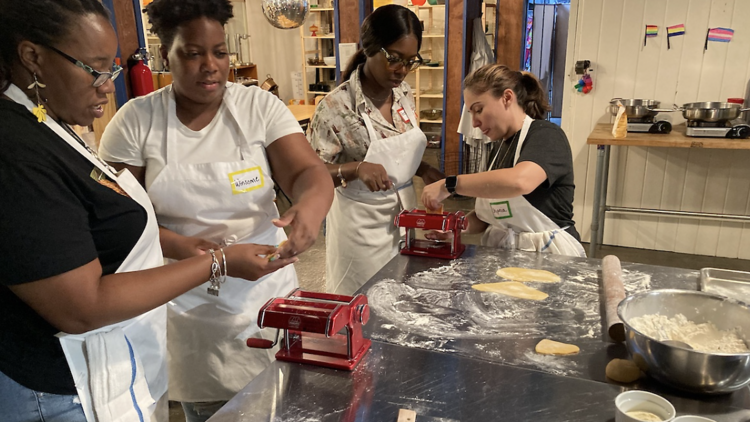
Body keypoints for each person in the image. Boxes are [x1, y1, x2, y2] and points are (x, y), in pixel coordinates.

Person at [0, 1, 303, 421]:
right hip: (61, 387)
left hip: (120, 357)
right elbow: (81, 305)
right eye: (96, 68)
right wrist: (215, 261)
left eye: (112, 70)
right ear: (32, 56)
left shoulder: (47, 125)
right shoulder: (17, 150)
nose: (108, 86)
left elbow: (106, 220)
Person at [98, 1, 333, 420]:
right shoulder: (136, 121)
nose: (210, 65)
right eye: (192, 53)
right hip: (185, 300)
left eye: (220, 52)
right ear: (164, 55)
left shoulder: (258, 107)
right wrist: (179, 244)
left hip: (264, 289)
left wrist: (310, 209)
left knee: (281, 403)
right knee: (209, 411)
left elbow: (308, 172)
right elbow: (117, 219)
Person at [308, 4, 444, 295]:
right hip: (359, 229)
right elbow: (309, 174)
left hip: (402, 218)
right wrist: (355, 169)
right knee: (362, 305)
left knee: (400, 299)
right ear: (370, 48)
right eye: (393, 58)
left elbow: (397, 152)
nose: (402, 70)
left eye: (410, 61)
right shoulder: (336, 107)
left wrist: (424, 169)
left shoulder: (404, 95)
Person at [421, 64, 585, 257]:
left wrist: (449, 185)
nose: (474, 122)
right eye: (471, 114)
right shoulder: (499, 149)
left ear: (507, 98)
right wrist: (456, 227)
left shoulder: (546, 135)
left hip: (550, 255)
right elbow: (489, 216)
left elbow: (520, 182)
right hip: (505, 255)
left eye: (479, 109)